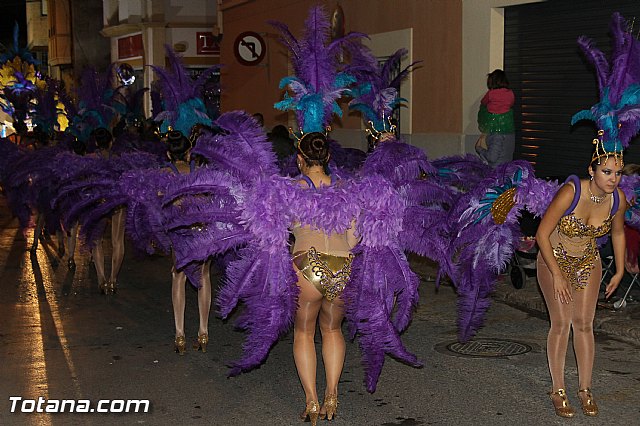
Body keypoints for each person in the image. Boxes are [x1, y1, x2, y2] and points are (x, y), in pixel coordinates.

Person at [535, 154, 626, 418]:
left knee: (584, 324)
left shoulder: (617, 199)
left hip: (587, 260)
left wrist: (619, 270)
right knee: (562, 323)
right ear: (592, 170)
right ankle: (558, 390)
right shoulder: (571, 191)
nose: (613, 179)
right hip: (554, 258)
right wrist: (557, 275)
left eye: (618, 173)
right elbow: (542, 234)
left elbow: (618, 232)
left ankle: (585, 389)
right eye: (607, 172)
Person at [290, 132, 358, 424]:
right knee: (332, 330)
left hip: (306, 264)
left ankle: (312, 401)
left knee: (304, 332)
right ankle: (332, 394)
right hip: (343, 266)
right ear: (328, 158)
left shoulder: (290, 190)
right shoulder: (346, 190)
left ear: (300, 159)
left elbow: (273, 229)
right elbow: (355, 239)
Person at [164, 131, 212, 355]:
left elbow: (159, 200)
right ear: (189, 152)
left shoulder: (165, 174)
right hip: (202, 228)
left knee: (178, 276)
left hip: (180, 231)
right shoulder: (200, 173)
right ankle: (203, 331)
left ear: (167, 153)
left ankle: (179, 333)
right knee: (204, 276)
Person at [475, 69, 515, 167]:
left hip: (496, 174)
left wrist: (479, 149)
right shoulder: (510, 93)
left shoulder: (491, 93)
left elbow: (483, 102)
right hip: (506, 170)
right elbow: (511, 103)